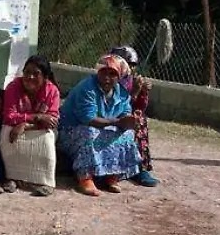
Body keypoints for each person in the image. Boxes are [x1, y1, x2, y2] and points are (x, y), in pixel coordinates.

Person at [58, 54, 142, 196]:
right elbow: (89, 119)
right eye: (104, 72)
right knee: (89, 133)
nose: (107, 77)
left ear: (119, 76)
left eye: (113, 74)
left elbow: (125, 113)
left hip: (104, 127)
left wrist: (131, 121)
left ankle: (112, 175)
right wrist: (118, 122)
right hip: (71, 130)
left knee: (127, 134)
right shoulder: (87, 88)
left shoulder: (121, 93)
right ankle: (85, 177)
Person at [0, 55, 62, 196]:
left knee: (46, 138)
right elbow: (9, 116)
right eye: (27, 72)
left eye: (36, 74)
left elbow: (52, 121)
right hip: (16, 125)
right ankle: (12, 178)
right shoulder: (13, 87)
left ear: (45, 77)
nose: (30, 77)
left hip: (39, 129)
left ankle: (44, 182)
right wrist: (37, 117)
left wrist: (25, 125)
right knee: (7, 132)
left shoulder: (52, 91)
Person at [110, 45, 159, 187]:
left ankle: (141, 167)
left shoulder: (131, 80)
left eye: (132, 65)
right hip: (107, 116)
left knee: (140, 119)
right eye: (126, 64)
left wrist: (143, 92)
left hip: (123, 116)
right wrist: (135, 92)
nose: (130, 68)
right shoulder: (109, 79)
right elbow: (118, 107)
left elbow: (139, 107)